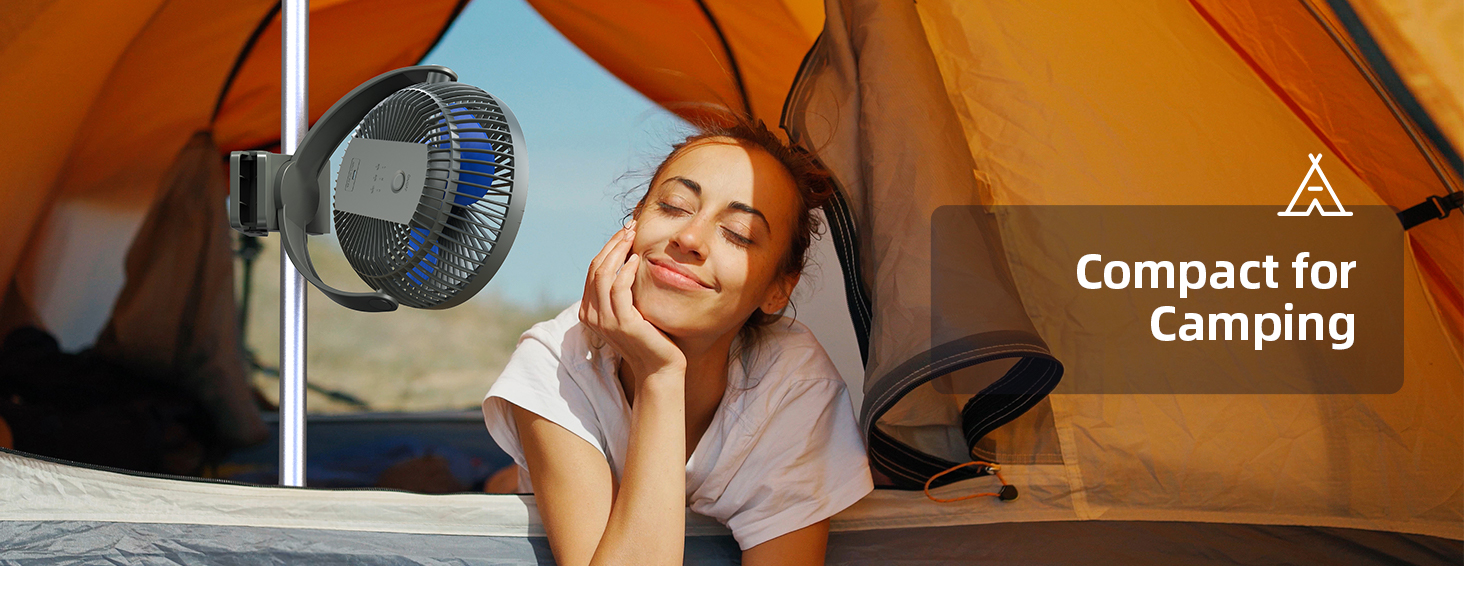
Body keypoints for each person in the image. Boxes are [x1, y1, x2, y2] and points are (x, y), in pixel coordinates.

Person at [480, 118, 873, 565]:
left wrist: (658, 375)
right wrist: (660, 377)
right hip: (533, 473)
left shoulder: (794, 385)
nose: (688, 239)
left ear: (778, 289)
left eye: (738, 233)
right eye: (672, 206)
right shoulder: (557, 359)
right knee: (499, 485)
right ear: (633, 222)